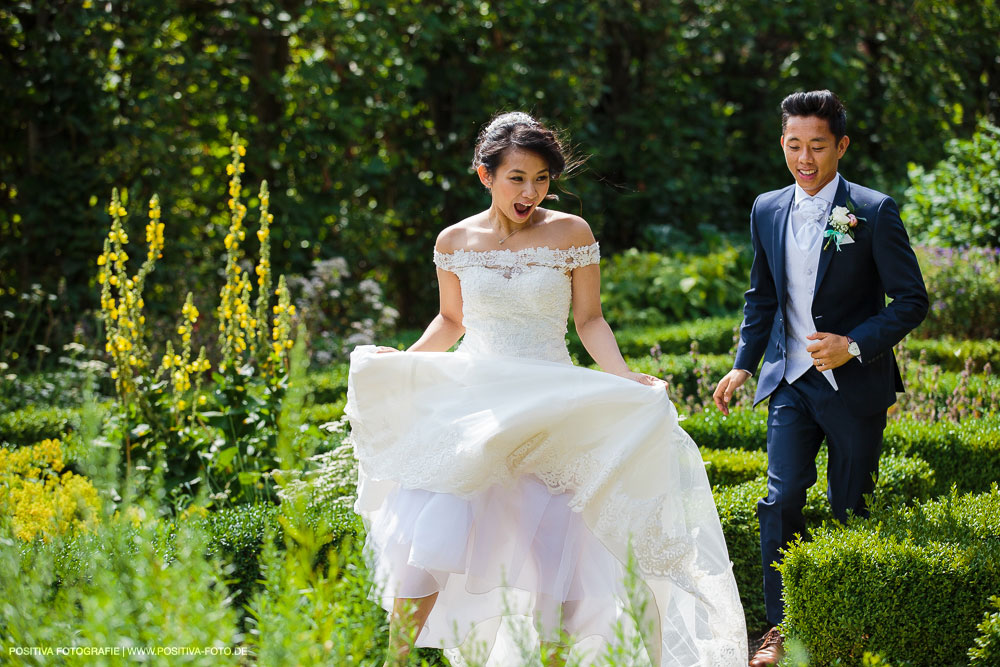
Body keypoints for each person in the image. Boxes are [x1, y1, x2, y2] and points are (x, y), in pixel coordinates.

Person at [346, 112, 747, 666]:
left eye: (541, 179)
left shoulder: (570, 233)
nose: (531, 192)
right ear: (484, 175)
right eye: (517, 178)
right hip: (476, 401)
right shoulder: (454, 240)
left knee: (558, 550)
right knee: (434, 528)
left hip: (551, 400)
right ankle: (394, 659)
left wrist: (623, 376)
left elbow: (589, 321)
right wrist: (407, 366)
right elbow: (450, 320)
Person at [712, 90, 928, 666]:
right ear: (782, 143)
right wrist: (743, 363)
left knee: (849, 504)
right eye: (793, 145)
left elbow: (911, 300)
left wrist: (853, 344)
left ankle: (847, 628)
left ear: (842, 146)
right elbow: (762, 296)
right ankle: (779, 630)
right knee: (780, 500)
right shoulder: (766, 208)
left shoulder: (874, 210)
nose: (804, 158)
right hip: (790, 382)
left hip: (856, 384)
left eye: (817, 146)